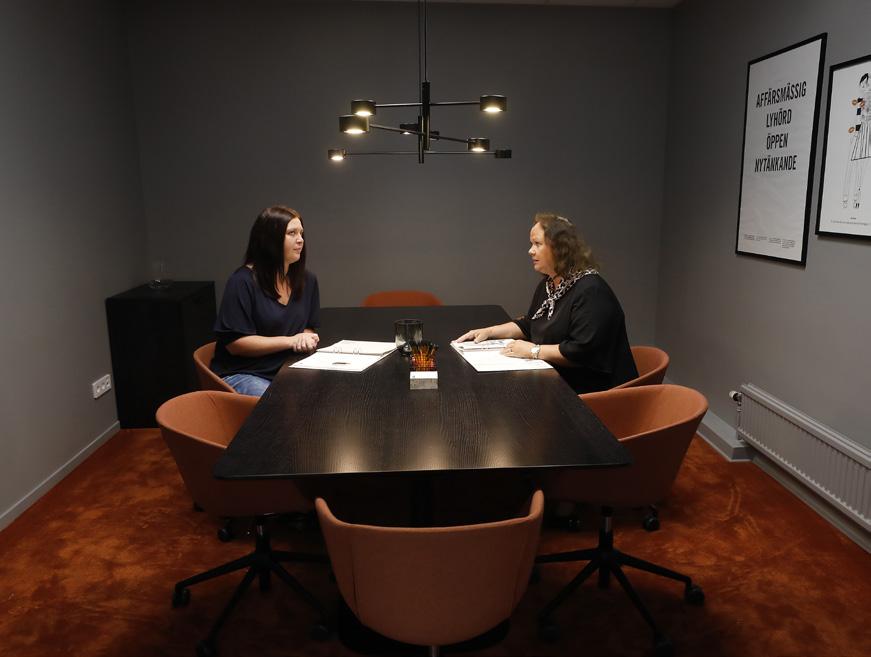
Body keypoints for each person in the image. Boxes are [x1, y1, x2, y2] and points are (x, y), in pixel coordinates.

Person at [456, 212, 637, 394]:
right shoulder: (550, 283)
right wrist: (490, 332)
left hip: (595, 393)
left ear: (560, 248)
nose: (530, 251)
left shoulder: (591, 291)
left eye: (537, 244)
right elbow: (530, 324)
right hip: (560, 382)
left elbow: (581, 352)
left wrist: (533, 351)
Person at [210, 205, 320, 396]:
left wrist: (305, 338)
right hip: (247, 372)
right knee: (277, 405)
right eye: (292, 233)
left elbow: (308, 326)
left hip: (287, 366)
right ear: (270, 239)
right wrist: (291, 341)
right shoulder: (242, 281)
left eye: (301, 233)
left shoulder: (307, 280)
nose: (300, 240)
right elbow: (236, 344)